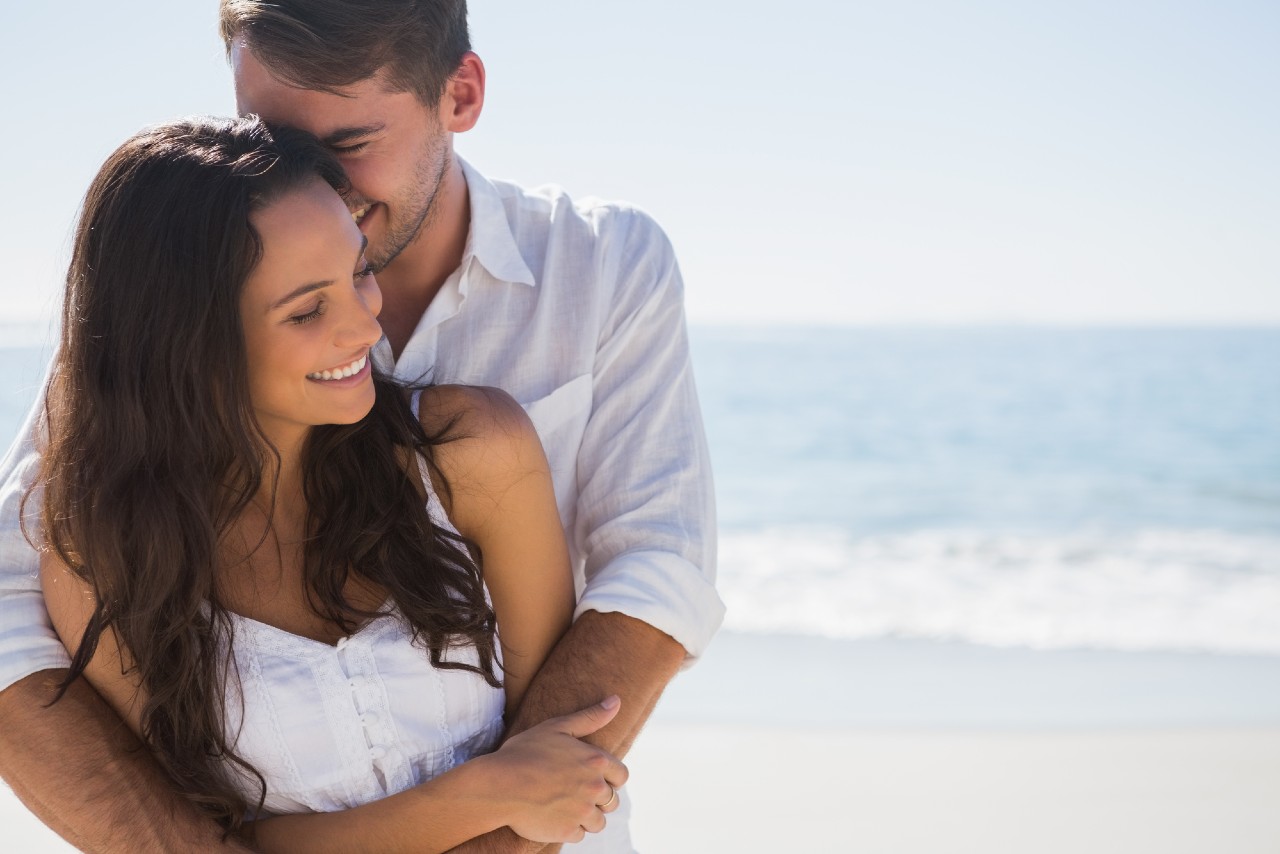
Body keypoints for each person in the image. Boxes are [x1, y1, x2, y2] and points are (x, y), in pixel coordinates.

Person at [0, 1, 722, 852]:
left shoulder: (601, 266)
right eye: (270, 138)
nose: (317, 185)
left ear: (460, 95)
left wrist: (514, 825)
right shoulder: (178, 322)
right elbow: (15, 596)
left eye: (347, 146)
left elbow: (655, 570)